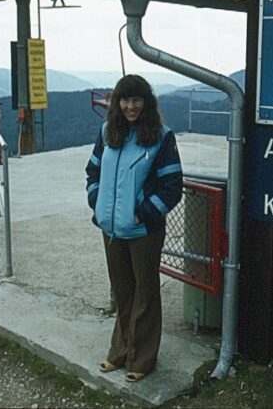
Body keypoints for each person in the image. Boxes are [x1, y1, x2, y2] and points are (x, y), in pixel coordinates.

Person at [85, 74, 183, 383]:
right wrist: (96, 203)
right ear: (117, 103)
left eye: (136, 100)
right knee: (124, 292)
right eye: (125, 100)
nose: (130, 106)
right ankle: (119, 353)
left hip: (143, 231)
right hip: (111, 229)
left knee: (146, 294)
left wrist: (143, 214)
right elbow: (93, 171)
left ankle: (142, 359)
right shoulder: (107, 132)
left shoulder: (162, 137)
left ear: (147, 102)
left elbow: (172, 185)